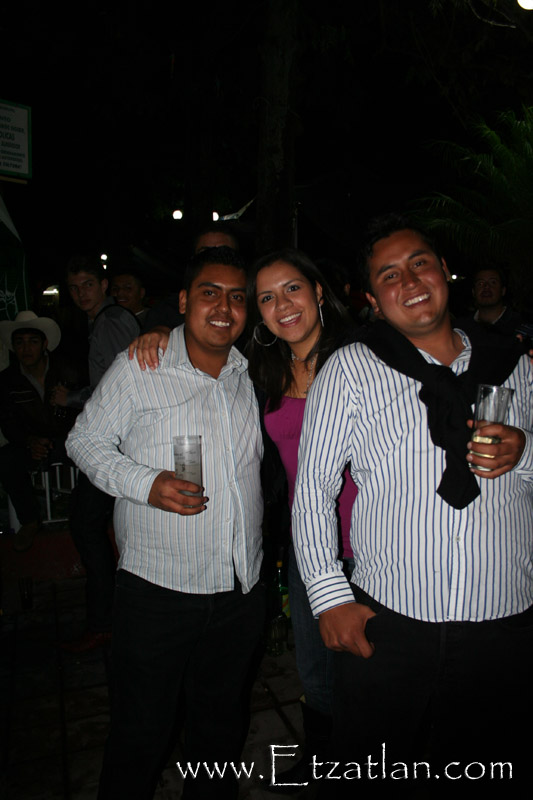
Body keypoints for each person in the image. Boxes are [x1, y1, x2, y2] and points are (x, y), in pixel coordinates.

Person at [292, 213, 533, 798]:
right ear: (373, 299)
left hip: (502, 625)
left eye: (419, 263)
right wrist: (330, 599)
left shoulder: (515, 364)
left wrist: (525, 450)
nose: (410, 281)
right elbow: (313, 490)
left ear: (445, 270)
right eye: (390, 274)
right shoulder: (351, 369)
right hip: (388, 625)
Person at [66, 245, 266, 800]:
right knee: (141, 735)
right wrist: (144, 484)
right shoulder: (141, 365)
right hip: (157, 590)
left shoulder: (248, 372)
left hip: (238, 589)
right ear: (182, 301)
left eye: (237, 297)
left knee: (220, 730)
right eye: (209, 293)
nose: (223, 307)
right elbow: (84, 441)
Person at [245, 249, 358, 789]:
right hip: (308, 545)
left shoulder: (361, 360)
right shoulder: (264, 372)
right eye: (267, 297)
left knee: (364, 669)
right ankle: (321, 763)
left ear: (317, 291)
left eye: (292, 288)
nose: (282, 304)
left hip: (371, 547)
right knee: (314, 669)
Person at [53, 254, 141, 653]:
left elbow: (119, 384)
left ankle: (106, 620)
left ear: (103, 285)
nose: (81, 293)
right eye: (74, 288)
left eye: (88, 284)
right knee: (93, 525)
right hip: (117, 438)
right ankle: (111, 616)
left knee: (86, 525)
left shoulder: (111, 321)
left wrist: (70, 398)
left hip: (116, 441)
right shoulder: (103, 322)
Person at [0, 311, 79, 550]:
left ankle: (87, 513)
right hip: (31, 443)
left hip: (68, 439)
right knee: (6, 459)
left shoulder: (68, 370)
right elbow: (8, 423)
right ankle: (29, 521)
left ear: (44, 344)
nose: (26, 349)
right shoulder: (6, 380)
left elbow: (87, 407)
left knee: (93, 456)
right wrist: (30, 441)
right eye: (20, 342)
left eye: (33, 341)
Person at [455, 264, 526, 338]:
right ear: (473, 292)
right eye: (480, 283)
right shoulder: (461, 329)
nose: (486, 287)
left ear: (503, 290)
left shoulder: (521, 329)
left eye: (493, 282)